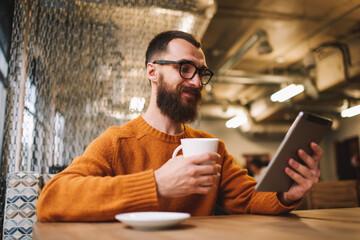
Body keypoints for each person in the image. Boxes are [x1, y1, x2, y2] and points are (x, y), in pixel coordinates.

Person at [37, 30, 323, 221]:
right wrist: (157, 183)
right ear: (153, 71)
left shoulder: (213, 147)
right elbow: (52, 200)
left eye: (201, 73)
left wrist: (287, 194)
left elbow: (249, 199)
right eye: (184, 68)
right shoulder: (118, 142)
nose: (197, 82)